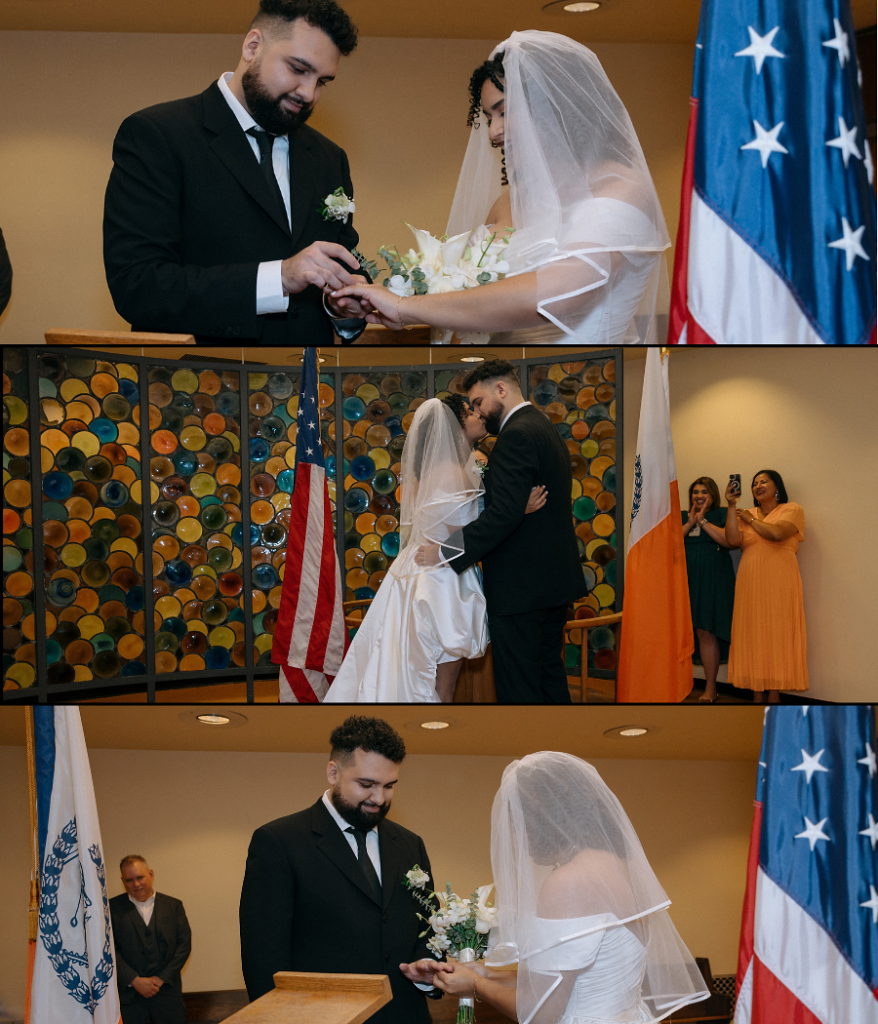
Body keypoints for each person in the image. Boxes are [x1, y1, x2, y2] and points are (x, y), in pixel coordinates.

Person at [332, 30, 670, 345]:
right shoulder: (507, 203)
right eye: (489, 117)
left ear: (556, 109)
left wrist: (403, 306)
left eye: (505, 112)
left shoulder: (622, 191)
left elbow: (557, 294)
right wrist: (387, 295)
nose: (494, 132)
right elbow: (468, 294)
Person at [103, 0, 370, 346]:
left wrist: (343, 309)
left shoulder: (330, 157)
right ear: (253, 46)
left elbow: (341, 263)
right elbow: (138, 286)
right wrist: (280, 278)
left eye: (322, 81)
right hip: (203, 380)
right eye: (298, 69)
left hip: (309, 378)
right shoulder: (158, 135)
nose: (308, 93)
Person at [403, 752, 710, 1024]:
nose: (519, 838)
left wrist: (474, 986)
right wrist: (481, 973)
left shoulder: (567, 882)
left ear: (543, 820)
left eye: (519, 824)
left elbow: (541, 1013)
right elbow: (567, 979)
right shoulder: (616, 867)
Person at [324, 394, 546, 703]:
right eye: (470, 412)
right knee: (440, 682)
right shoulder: (453, 474)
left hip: (423, 571)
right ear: (454, 427)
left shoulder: (471, 464)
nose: (479, 416)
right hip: (440, 578)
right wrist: (517, 510)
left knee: (422, 671)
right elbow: (473, 528)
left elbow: (485, 495)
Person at [239, 716, 442, 1023]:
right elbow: (264, 958)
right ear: (333, 772)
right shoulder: (279, 842)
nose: (379, 798)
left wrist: (426, 964)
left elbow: (428, 923)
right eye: (366, 784)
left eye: (389, 786)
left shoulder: (410, 844)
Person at [416, 360, 586, 704]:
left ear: (501, 390)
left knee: (520, 690)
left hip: (522, 589)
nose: (478, 411)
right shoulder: (543, 426)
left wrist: (446, 551)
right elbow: (510, 508)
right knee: (549, 680)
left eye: (478, 402)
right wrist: (515, 509)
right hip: (551, 585)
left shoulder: (516, 435)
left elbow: (502, 516)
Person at [724, 470, 808, 702]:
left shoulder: (792, 509)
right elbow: (732, 540)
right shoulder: (744, 511)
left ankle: (774, 695)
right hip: (750, 581)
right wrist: (731, 506)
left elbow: (777, 533)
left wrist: (750, 520)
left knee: (777, 634)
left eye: (763, 481)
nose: (758, 486)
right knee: (753, 633)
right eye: (754, 483)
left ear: (776, 486)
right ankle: (757, 695)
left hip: (780, 581)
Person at [109, 856, 191, 1024]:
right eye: (129, 880)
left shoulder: (174, 906)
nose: (136, 884)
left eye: (140, 877)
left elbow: (184, 945)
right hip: (129, 1000)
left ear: (151, 874)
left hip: (168, 997)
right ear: (122, 881)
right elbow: (107, 949)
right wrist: (135, 980)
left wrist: (161, 978)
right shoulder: (111, 909)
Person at [682, 477, 736, 704]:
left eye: (704, 491)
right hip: (687, 580)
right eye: (695, 491)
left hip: (713, 579)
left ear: (713, 495)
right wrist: (690, 521)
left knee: (706, 631)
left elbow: (729, 541)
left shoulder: (721, 514)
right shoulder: (683, 515)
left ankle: (711, 689)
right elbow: (669, 544)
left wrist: (703, 521)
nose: (699, 495)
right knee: (687, 632)